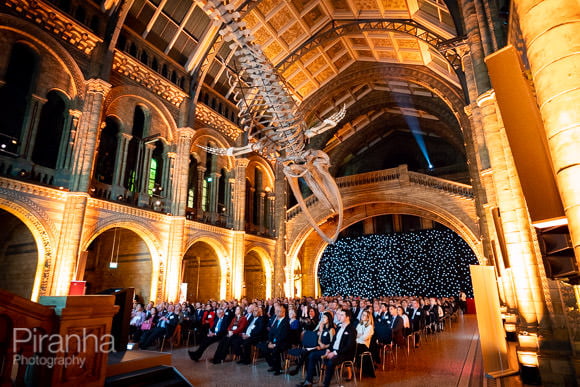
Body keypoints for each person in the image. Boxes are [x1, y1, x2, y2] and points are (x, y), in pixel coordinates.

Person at [298, 309, 357, 387]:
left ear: (347, 317)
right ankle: (309, 381)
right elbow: (333, 342)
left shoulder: (352, 330)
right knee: (312, 355)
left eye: (342, 315)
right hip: (333, 350)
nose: (339, 316)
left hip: (343, 353)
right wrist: (329, 350)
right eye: (340, 314)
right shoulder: (339, 327)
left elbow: (349, 346)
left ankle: (326, 384)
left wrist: (334, 353)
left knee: (330, 361)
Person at [288, 311, 335, 376]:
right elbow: (319, 339)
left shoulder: (331, 329)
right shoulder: (324, 328)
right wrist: (320, 343)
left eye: (324, 318)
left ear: (328, 319)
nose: (322, 319)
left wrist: (324, 346)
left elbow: (333, 343)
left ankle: (300, 370)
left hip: (326, 349)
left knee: (309, 354)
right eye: (322, 317)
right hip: (320, 347)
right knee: (306, 352)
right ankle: (302, 370)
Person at [259, 304, 289, 375]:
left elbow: (283, 336)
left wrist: (275, 344)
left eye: (279, 311)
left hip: (282, 343)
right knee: (263, 348)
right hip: (273, 342)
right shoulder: (276, 321)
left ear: (283, 312)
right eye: (277, 311)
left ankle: (278, 369)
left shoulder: (286, 322)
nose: (277, 313)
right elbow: (271, 333)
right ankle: (273, 365)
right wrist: (269, 342)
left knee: (275, 350)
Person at [355, 310, 375, 377]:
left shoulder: (370, 327)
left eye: (364, 315)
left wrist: (359, 335)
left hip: (364, 345)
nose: (362, 316)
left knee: (355, 349)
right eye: (362, 314)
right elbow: (354, 335)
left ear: (368, 317)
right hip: (357, 343)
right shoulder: (359, 324)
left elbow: (364, 338)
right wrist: (359, 335)